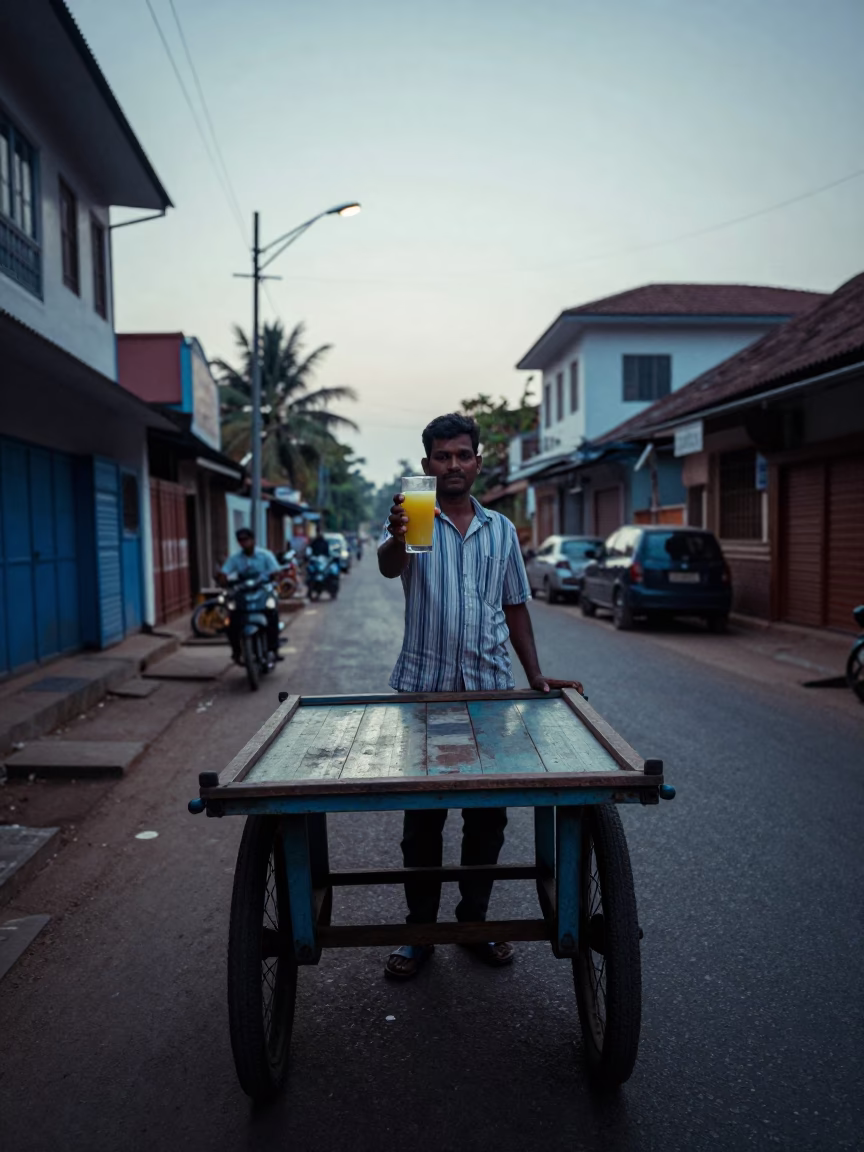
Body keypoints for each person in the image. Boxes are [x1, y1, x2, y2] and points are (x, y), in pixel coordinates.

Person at [378, 412, 584, 979]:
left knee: (487, 819)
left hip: (491, 692)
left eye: (462, 455)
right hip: (425, 693)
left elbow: (515, 604)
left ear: (477, 462)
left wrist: (535, 674)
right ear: (427, 465)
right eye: (442, 457)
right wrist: (396, 538)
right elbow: (388, 566)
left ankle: (474, 923)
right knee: (423, 823)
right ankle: (420, 932)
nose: (453, 466)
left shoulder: (500, 530)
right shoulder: (414, 519)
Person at [218, 527, 283, 662]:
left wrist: (273, 576)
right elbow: (225, 572)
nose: (244, 543)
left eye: (246, 539)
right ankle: (236, 651)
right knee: (231, 620)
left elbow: (276, 571)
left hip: (262, 591)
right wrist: (223, 578)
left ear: (253, 540)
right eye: (240, 540)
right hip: (243, 593)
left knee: (272, 614)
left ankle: (274, 648)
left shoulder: (265, 555)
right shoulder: (235, 558)